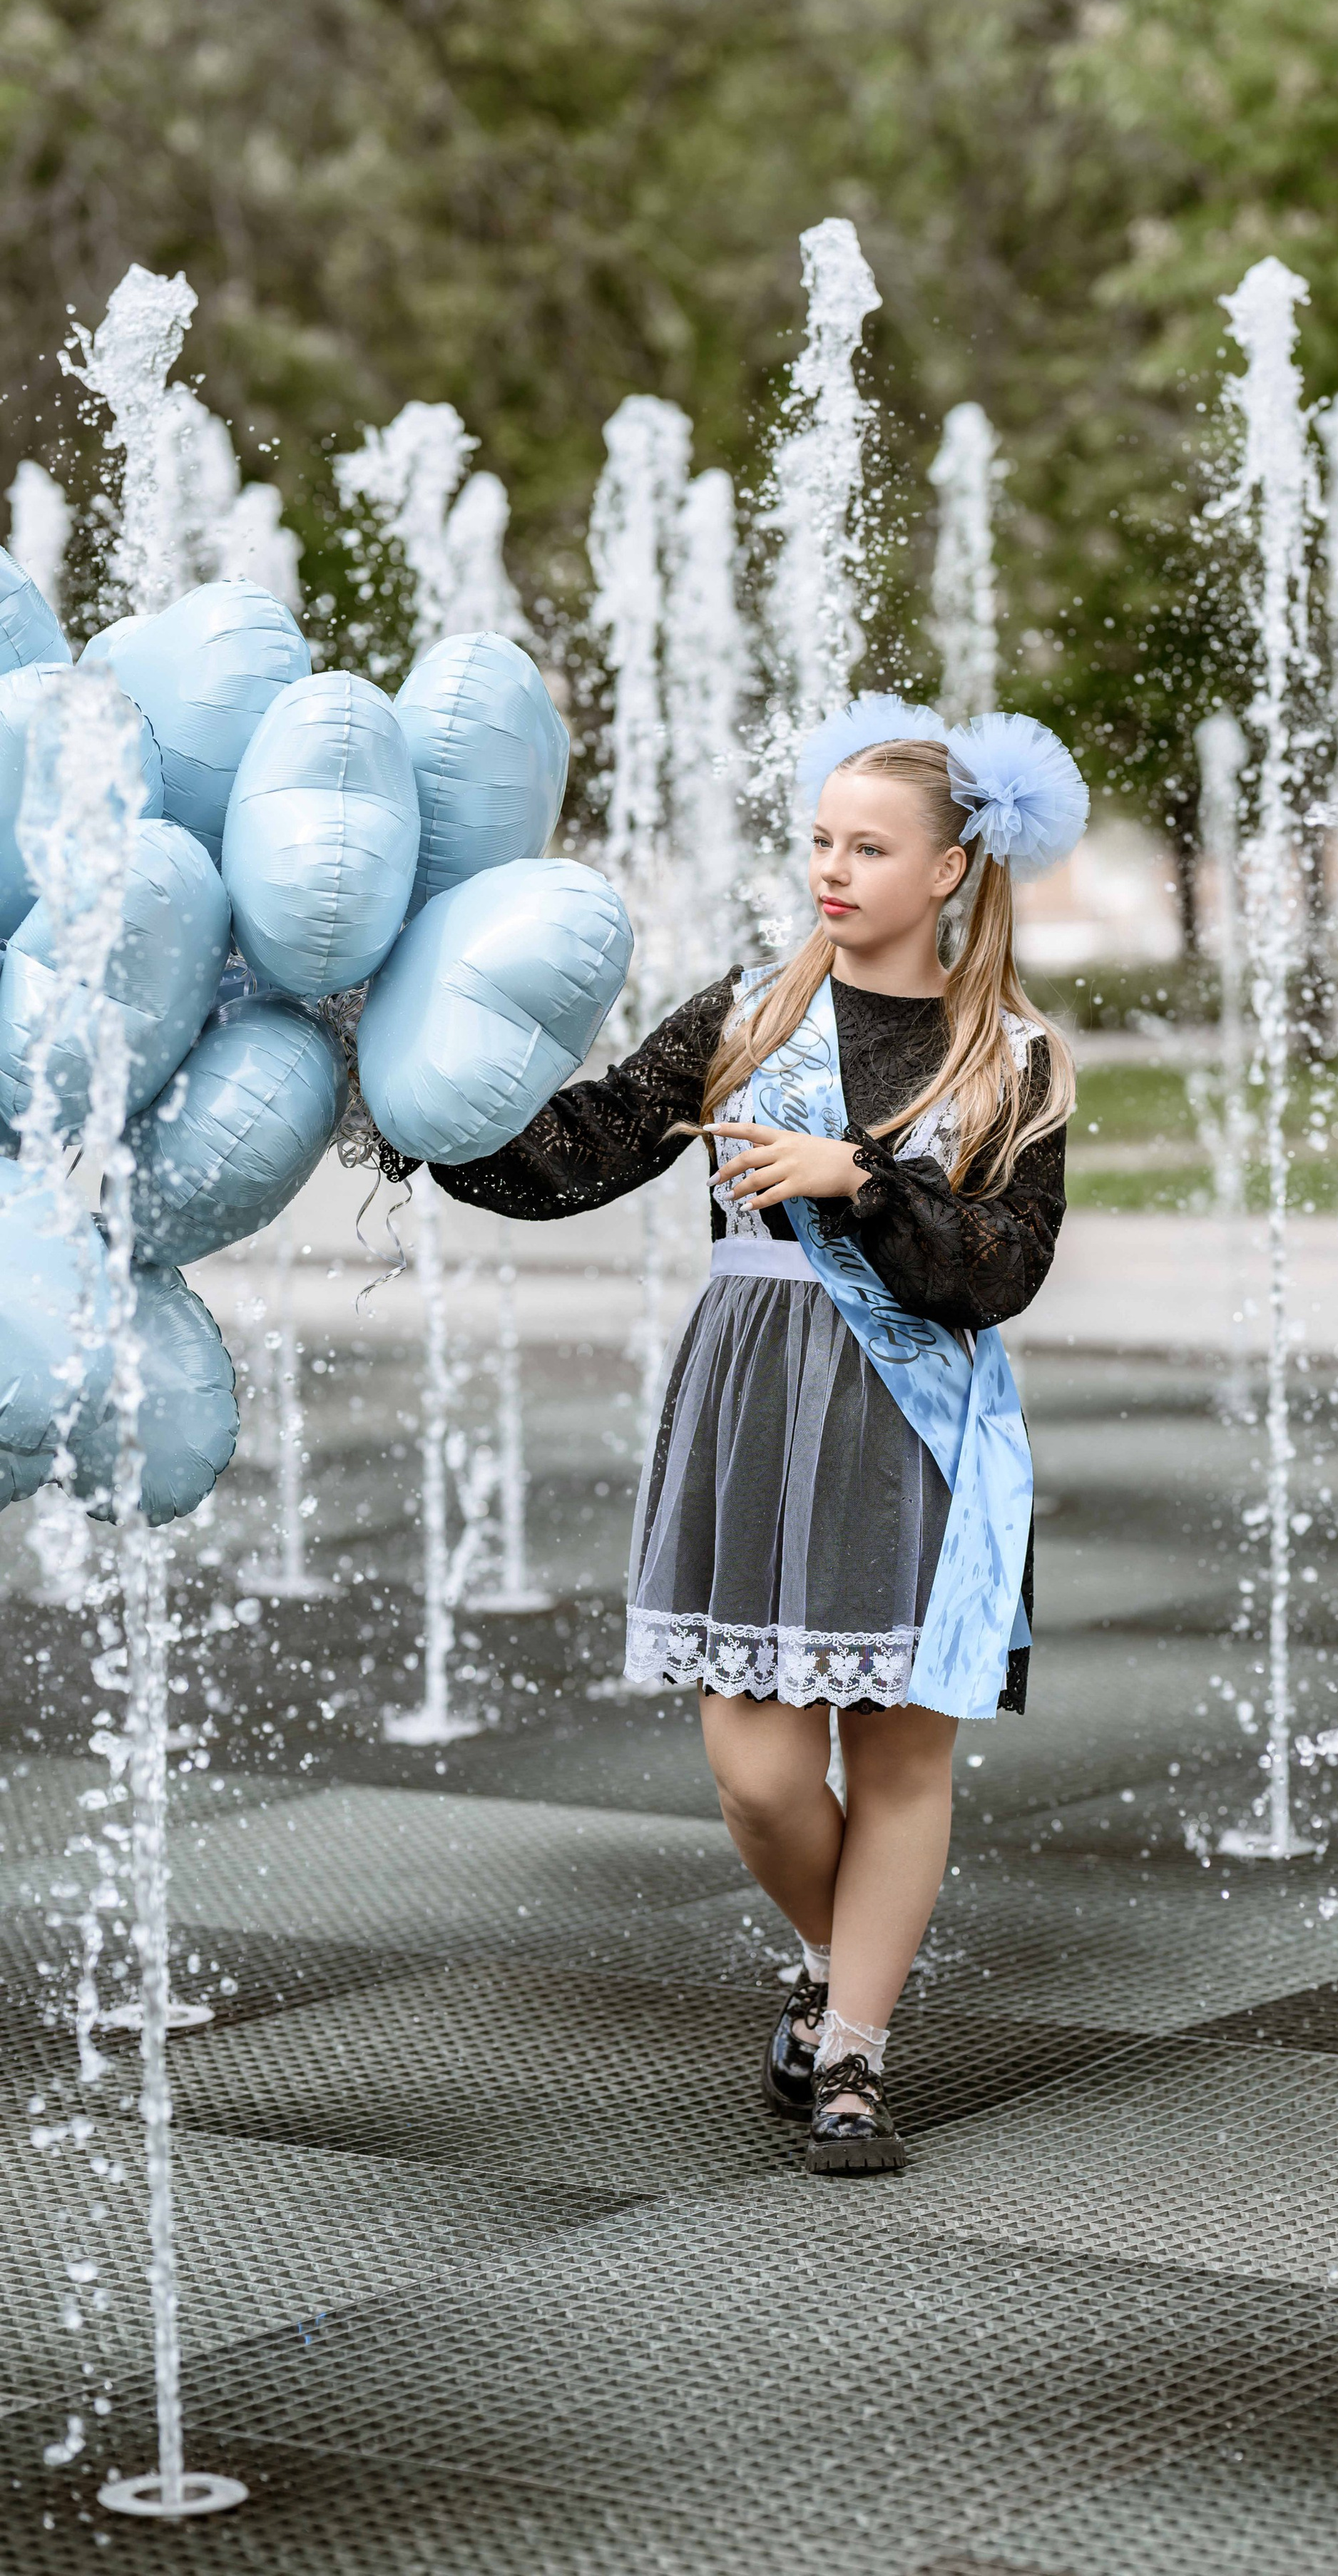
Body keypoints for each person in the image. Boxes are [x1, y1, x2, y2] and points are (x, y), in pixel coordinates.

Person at [391, 695, 1086, 2172]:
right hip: (754, 1407)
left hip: (913, 1432)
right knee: (759, 1776)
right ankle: (836, 1970)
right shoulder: (748, 1014)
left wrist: (860, 1181)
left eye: (869, 848)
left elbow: (1001, 1272)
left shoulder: (1011, 1058)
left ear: (949, 870)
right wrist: (424, 1111)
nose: (832, 869)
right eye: (821, 840)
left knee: (898, 1768)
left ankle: (854, 2059)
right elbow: (580, 1150)